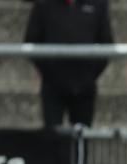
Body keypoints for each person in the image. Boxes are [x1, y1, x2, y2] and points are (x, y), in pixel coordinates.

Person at [24, 0, 114, 130]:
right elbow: (31, 41)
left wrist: (89, 74)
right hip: (52, 86)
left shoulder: (98, 4)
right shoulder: (43, 4)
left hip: (85, 87)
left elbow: (106, 44)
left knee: (81, 141)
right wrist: (49, 72)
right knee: (52, 137)